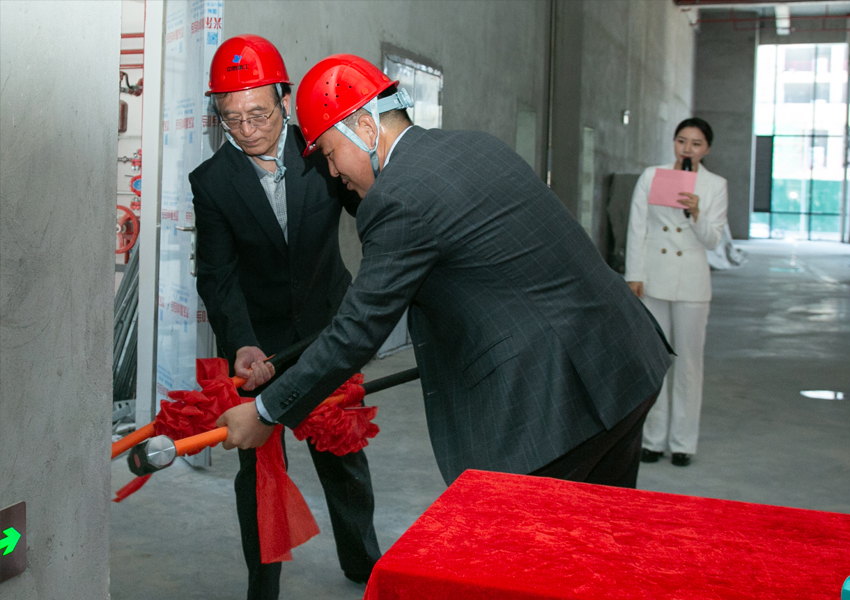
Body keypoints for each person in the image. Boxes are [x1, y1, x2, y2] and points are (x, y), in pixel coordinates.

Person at [216, 54, 672, 490]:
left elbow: (357, 329)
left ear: (367, 129)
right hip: (622, 360)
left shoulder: (398, 198)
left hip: (559, 402)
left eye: (331, 153)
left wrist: (266, 411)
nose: (333, 172)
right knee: (600, 532)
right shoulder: (474, 145)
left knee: (525, 537)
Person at [191, 37, 380, 599]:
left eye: (259, 114)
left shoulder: (321, 150)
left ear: (285, 99)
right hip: (261, 345)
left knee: (342, 455)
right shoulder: (212, 182)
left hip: (328, 331)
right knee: (259, 475)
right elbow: (217, 276)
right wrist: (242, 344)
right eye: (232, 119)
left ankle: (363, 563)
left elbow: (373, 210)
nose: (247, 129)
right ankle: (263, 585)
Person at [624, 117, 728, 467]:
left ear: (707, 149)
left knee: (688, 364)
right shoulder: (652, 176)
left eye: (696, 144)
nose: (687, 149)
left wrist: (696, 214)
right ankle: (653, 440)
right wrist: (633, 274)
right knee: (655, 362)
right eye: (682, 141)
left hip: (692, 283)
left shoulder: (715, 185)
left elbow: (714, 240)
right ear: (674, 143)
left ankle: (683, 442)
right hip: (654, 277)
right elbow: (637, 227)